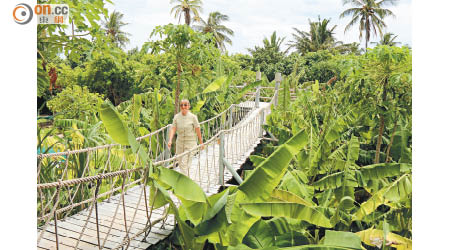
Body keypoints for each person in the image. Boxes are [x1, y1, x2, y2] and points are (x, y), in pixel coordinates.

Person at [167, 99, 204, 176]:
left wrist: (201, 142)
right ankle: (187, 178)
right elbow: (173, 128)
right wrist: (170, 140)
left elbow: (197, 129)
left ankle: (186, 183)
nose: (183, 107)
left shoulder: (193, 117)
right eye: (181, 105)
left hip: (190, 143)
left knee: (184, 163)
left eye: (185, 105)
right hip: (180, 144)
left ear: (189, 106)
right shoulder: (176, 117)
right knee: (181, 164)